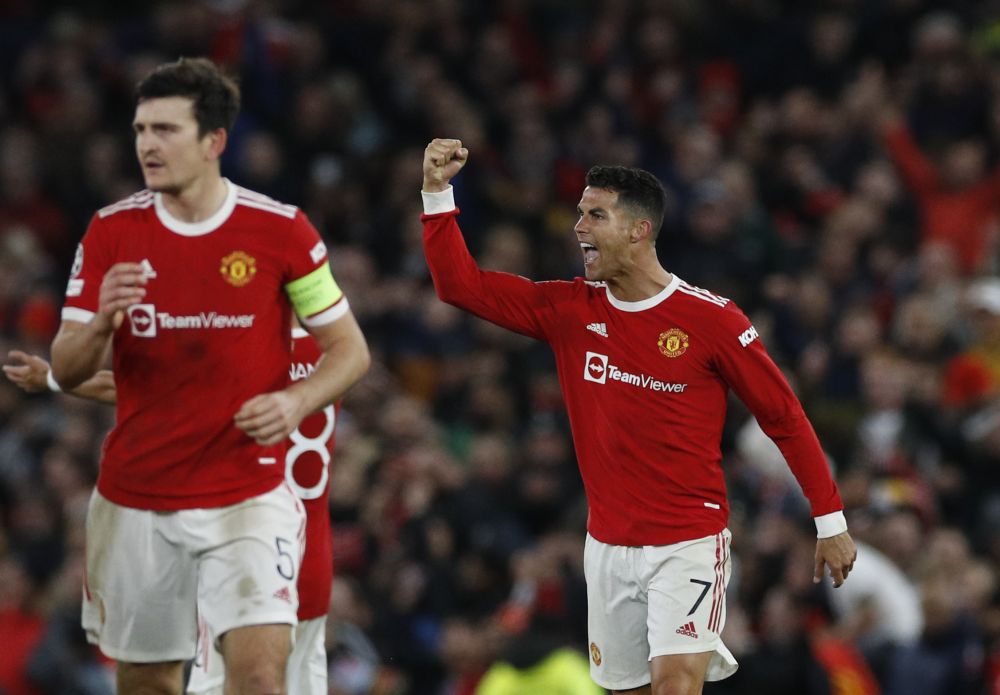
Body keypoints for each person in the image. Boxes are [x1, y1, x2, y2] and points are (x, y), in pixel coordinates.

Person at [420, 138, 857, 695]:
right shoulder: (569, 311)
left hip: (688, 543)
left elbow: (785, 417)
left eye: (594, 215)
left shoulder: (711, 320)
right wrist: (437, 192)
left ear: (638, 230)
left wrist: (831, 520)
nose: (578, 227)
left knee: (674, 686)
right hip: (606, 547)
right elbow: (460, 285)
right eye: (579, 213)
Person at [47, 57, 370, 695]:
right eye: (140, 129)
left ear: (213, 141)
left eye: (165, 129)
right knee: (148, 683)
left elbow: (349, 350)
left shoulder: (281, 232)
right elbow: (66, 364)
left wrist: (294, 400)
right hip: (137, 498)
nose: (146, 144)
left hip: (247, 495)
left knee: (257, 678)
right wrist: (101, 320)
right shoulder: (111, 232)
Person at [5, 322, 341, 695]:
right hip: (307, 562)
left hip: (247, 559)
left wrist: (54, 378)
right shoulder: (335, 354)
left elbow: (141, 390)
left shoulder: (239, 350)